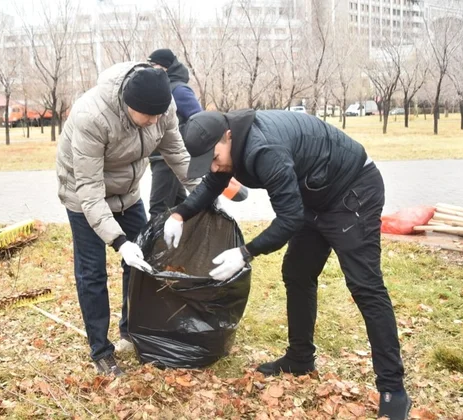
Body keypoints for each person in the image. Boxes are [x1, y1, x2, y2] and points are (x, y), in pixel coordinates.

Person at [163, 109, 412, 419]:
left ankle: (393, 390)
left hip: (353, 190)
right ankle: (300, 358)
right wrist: (180, 214)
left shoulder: (264, 150)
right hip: (315, 195)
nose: (214, 167)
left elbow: (289, 219)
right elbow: (213, 183)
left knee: (366, 287)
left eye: (214, 158)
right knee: (297, 273)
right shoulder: (229, 145)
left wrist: (245, 253)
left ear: (228, 136)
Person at [56, 62, 200, 376]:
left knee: (140, 264)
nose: (154, 122)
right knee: (92, 273)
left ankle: (130, 332)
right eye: (147, 115)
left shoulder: (162, 108)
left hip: (128, 194)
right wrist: (120, 242)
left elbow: (177, 153)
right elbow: (89, 192)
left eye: (159, 115)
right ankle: (101, 351)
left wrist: (204, 194)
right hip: (83, 196)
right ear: (127, 105)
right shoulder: (91, 117)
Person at [146, 48, 247, 218]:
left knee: (159, 208)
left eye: (153, 65)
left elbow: (199, 120)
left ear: (165, 67)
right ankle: (189, 230)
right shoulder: (160, 88)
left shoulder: (178, 90)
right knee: (178, 202)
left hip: (169, 157)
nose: (150, 70)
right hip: (160, 155)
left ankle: (157, 240)